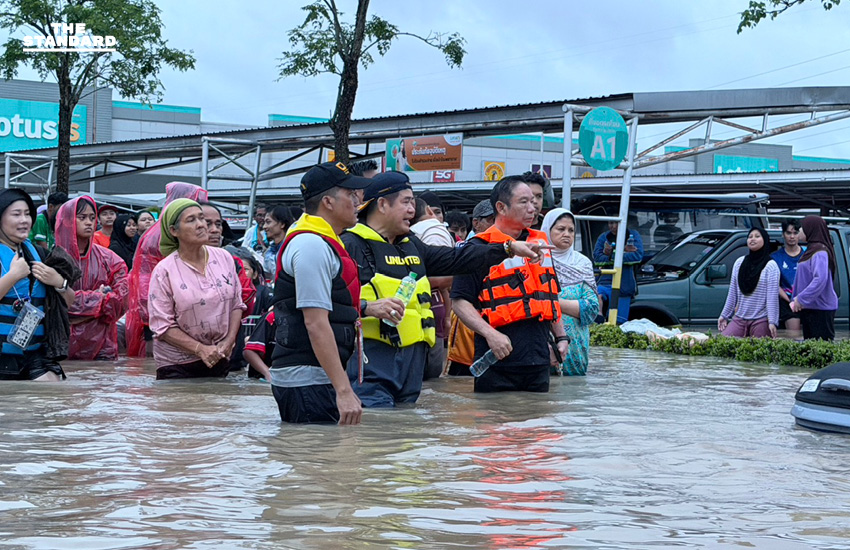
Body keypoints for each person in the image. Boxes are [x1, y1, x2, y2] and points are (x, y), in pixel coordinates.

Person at [342, 171, 546, 407]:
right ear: (382, 204)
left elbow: (457, 257)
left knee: (401, 434)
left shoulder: (411, 245)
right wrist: (367, 307)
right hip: (370, 364)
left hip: (411, 369)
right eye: (407, 202)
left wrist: (508, 249)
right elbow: (318, 303)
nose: (413, 210)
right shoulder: (350, 245)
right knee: (376, 431)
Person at [269, 161, 372, 424]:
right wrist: (343, 390)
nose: (358, 201)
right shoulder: (310, 244)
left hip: (315, 376)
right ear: (328, 201)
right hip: (307, 379)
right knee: (317, 461)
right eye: (350, 194)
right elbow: (314, 322)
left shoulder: (322, 238)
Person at [451, 176, 569, 394]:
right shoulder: (478, 248)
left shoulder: (540, 244)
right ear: (501, 208)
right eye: (524, 202)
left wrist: (561, 338)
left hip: (538, 361)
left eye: (534, 201)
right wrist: (491, 334)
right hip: (497, 361)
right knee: (494, 424)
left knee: (539, 425)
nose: (532, 207)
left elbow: (550, 296)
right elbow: (459, 302)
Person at [148, 199, 246, 379]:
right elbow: (162, 325)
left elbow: (236, 304)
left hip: (219, 358)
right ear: (173, 231)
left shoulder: (224, 257)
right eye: (191, 220)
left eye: (202, 219)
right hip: (177, 364)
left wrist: (229, 341)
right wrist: (200, 349)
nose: (201, 225)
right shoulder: (164, 271)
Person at [0, 189, 76, 381]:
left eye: (27, 214)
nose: (24, 220)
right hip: (2, 354)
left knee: (50, 392)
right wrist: (13, 276)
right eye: (16, 214)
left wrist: (59, 282)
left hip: (35, 353)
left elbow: (70, 301)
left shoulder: (41, 256)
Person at [126, 182, 208, 357]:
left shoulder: (156, 231)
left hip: (163, 299)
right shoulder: (161, 234)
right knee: (159, 351)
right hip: (157, 299)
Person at [55, 196, 130, 361]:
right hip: (62, 349)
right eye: (82, 218)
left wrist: (78, 303)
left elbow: (122, 301)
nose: (89, 222)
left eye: (91, 217)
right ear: (67, 221)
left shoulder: (110, 260)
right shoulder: (53, 260)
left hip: (103, 349)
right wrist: (99, 299)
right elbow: (56, 307)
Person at [541, 208, 599, 376]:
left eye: (571, 230)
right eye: (560, 229)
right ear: (547, 230)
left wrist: (551, 303)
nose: (567, 234)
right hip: (542, 342)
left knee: (572, 395)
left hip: (576, 345)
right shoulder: (537, 259)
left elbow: (592, 308)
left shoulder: (582, 263)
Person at [446, 199, 495, 376]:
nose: (495, 224)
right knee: (461, 374)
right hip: (466, 322)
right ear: (476, 222)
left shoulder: (505, 246)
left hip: (494, 324)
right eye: (490, 219)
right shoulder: (465, 249)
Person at [410, 197, 454, 380]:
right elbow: (443, 279)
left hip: (423, 309)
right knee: (430, 378)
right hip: (427, 309)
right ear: (428, 211)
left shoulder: (411, 235)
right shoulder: (434, 232)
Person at [718, 227, 779, 338]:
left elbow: (772, 297)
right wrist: (724, 315)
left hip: (761, 319)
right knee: (722, 341)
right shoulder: (739, 262)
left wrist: (772, 322)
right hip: (740, 318)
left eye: (757, 236)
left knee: (759, 350)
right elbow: (732, 293)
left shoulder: (771, 266)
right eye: (750, 237)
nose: (752, 239)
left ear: (765, 240)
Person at [791, 215, 839, 341]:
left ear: (810, 229)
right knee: (811, 351)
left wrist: (801, 299)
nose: (800, 230)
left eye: (802, 227)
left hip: (821, 310)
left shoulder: (820, 252)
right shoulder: (811, 250)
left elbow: (820, 280)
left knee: (821, 352)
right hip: (810, 308)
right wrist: (796, 299)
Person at [593, 219, 644, 324]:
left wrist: (611, 254)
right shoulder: (604, 237)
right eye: (610, 222)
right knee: (596, 297)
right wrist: (622, 253)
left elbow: (637, 257)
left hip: (624, 284)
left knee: (618, 322)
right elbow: (597, 259)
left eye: (616, 222)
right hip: (604, 281)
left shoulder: (633, 235)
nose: (613, 226)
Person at [771, 220, 804, 333]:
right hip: (787, 301)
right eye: (789, 233)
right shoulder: (775, 258)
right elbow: (774, 284)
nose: (792, 236)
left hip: (807, 299)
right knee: (794, 335)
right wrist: (790, 300)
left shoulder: (807, 255)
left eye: (795, 233)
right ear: (783, 234)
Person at [262, 205, 295, 277]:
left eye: (268, 222)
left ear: (282, 224)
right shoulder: (269, 252)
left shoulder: (292, 248)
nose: (264, 226)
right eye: (264, 222)